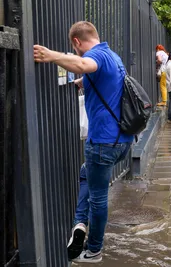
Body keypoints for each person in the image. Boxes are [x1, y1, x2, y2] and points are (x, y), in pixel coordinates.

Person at [33, 21, 133, 263]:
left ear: (77, 42)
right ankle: (79, 224)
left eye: (74, 48)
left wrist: (50, 56)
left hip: (102, 142)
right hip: (122, 141)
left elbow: (82, 64)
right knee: (86, 172)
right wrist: (82, 83)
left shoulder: (95, 55)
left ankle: (94, 250)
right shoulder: (112, 55)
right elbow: (103, 80)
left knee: (98, 198)